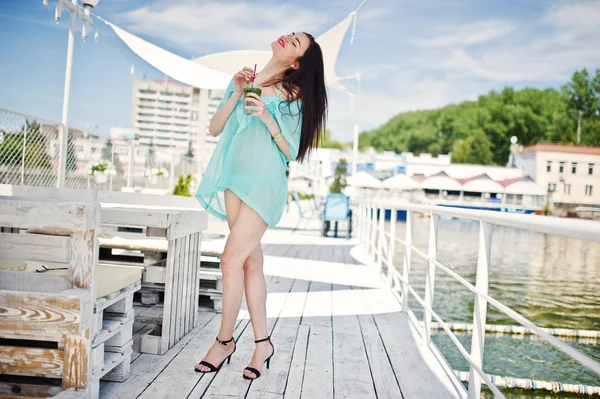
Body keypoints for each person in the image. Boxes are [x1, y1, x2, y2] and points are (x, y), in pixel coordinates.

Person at [193, 31, 327, 380]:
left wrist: (268, 118)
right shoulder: (246, 79)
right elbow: (214, 128)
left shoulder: (292, 94)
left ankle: (224, 341)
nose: (287, 37)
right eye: (291, 34)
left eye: (295, 42)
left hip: (264, 183)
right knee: (251, 264)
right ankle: (262, 343)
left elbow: (290, 151)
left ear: (296, 63)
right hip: (235, 178)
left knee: (230, 260)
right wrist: (237, 91)